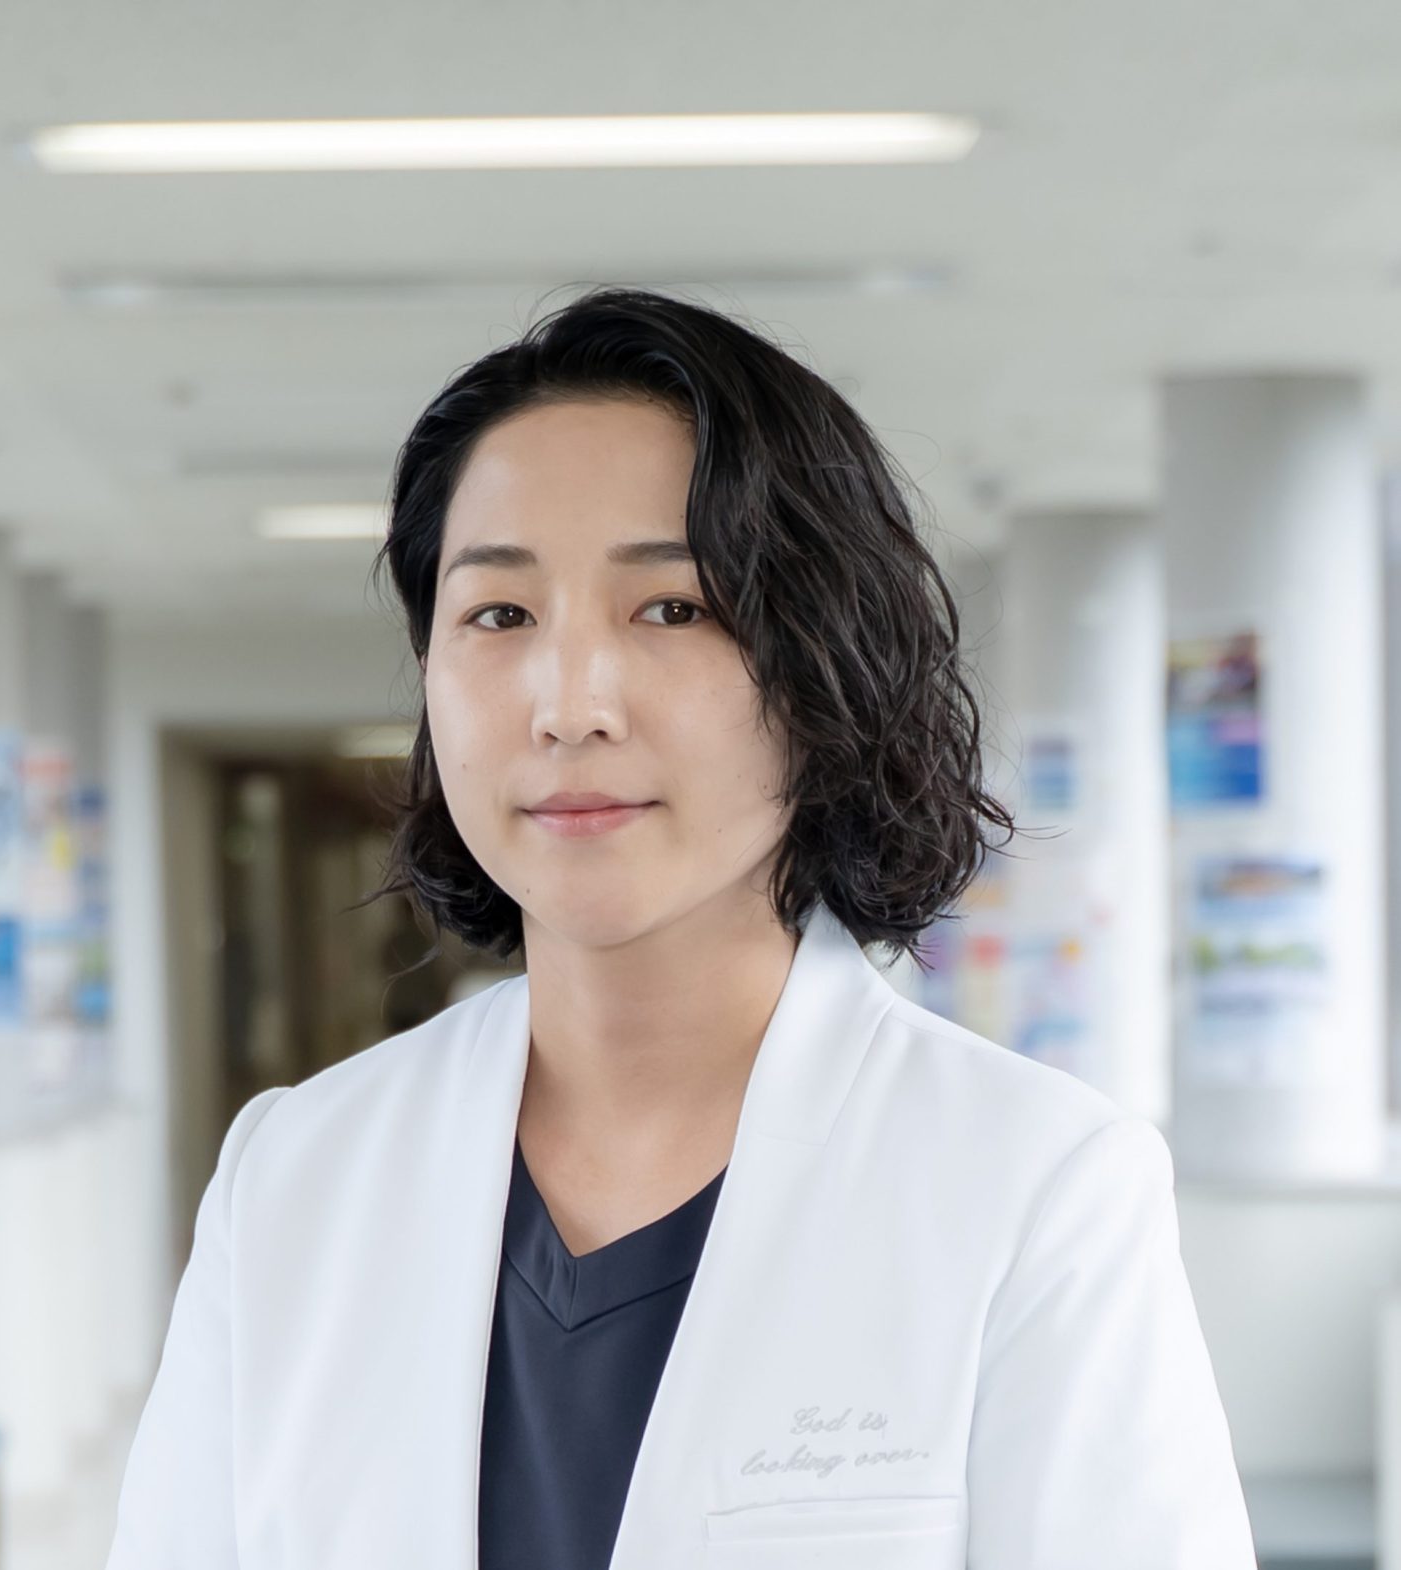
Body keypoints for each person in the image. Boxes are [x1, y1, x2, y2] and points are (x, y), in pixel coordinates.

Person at [104, 286, 1257, 1569]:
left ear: (822, 669)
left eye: (673, 608)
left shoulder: (1037, 1185)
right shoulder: (291, 1175)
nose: (570, 704)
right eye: (499, 614)